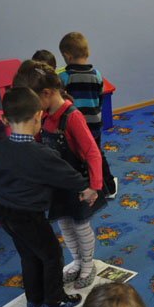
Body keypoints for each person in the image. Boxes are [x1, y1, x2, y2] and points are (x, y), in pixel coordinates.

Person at [0, 87, 94, 307]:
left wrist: (6, 190)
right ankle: (54, 300)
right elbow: (67, 176)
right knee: (52, 255)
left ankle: (34, 298)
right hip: (30, 217)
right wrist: (87, 187)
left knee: (28, 254)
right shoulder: (41, 154)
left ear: (5, 119)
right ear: (37, 116)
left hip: (5, 212)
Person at [14, 59, 107, 289]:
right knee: (64, 225)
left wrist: (94, 186)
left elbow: (92, 152)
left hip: (79, 185)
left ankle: (88, 265)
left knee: (80, 226)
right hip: (57, 184)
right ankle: (77, 261)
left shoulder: (72, 116)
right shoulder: (44, 115)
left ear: (46, 93)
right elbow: (38, 145)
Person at [58, 32, 118, 197]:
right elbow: (100, 99)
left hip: (74, 128)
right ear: (87, 52)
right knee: (97, 154)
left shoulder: (63, 77)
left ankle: (80, 186)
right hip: (94, 125)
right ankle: (109, 187)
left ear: (67, 56)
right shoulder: (97, 75)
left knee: (75, 157)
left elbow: (61, 104)